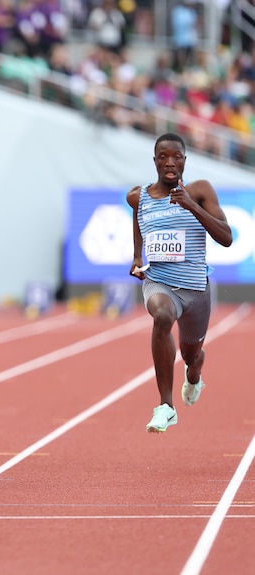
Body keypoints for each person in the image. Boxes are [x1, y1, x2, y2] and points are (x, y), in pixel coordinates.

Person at [128, 132, 232, 433]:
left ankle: (194, 374)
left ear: (185, 161)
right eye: (163, 157)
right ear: (155, 161)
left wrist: (192, 207)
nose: (170, 163)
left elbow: (226, 238)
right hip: (159, 282)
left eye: (176, 157)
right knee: (161, 316)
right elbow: (137, 216)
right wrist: (137, 256)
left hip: (196, 289)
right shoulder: (139, 195)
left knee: (192, 354)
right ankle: (165, 406)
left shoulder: (199, 190)